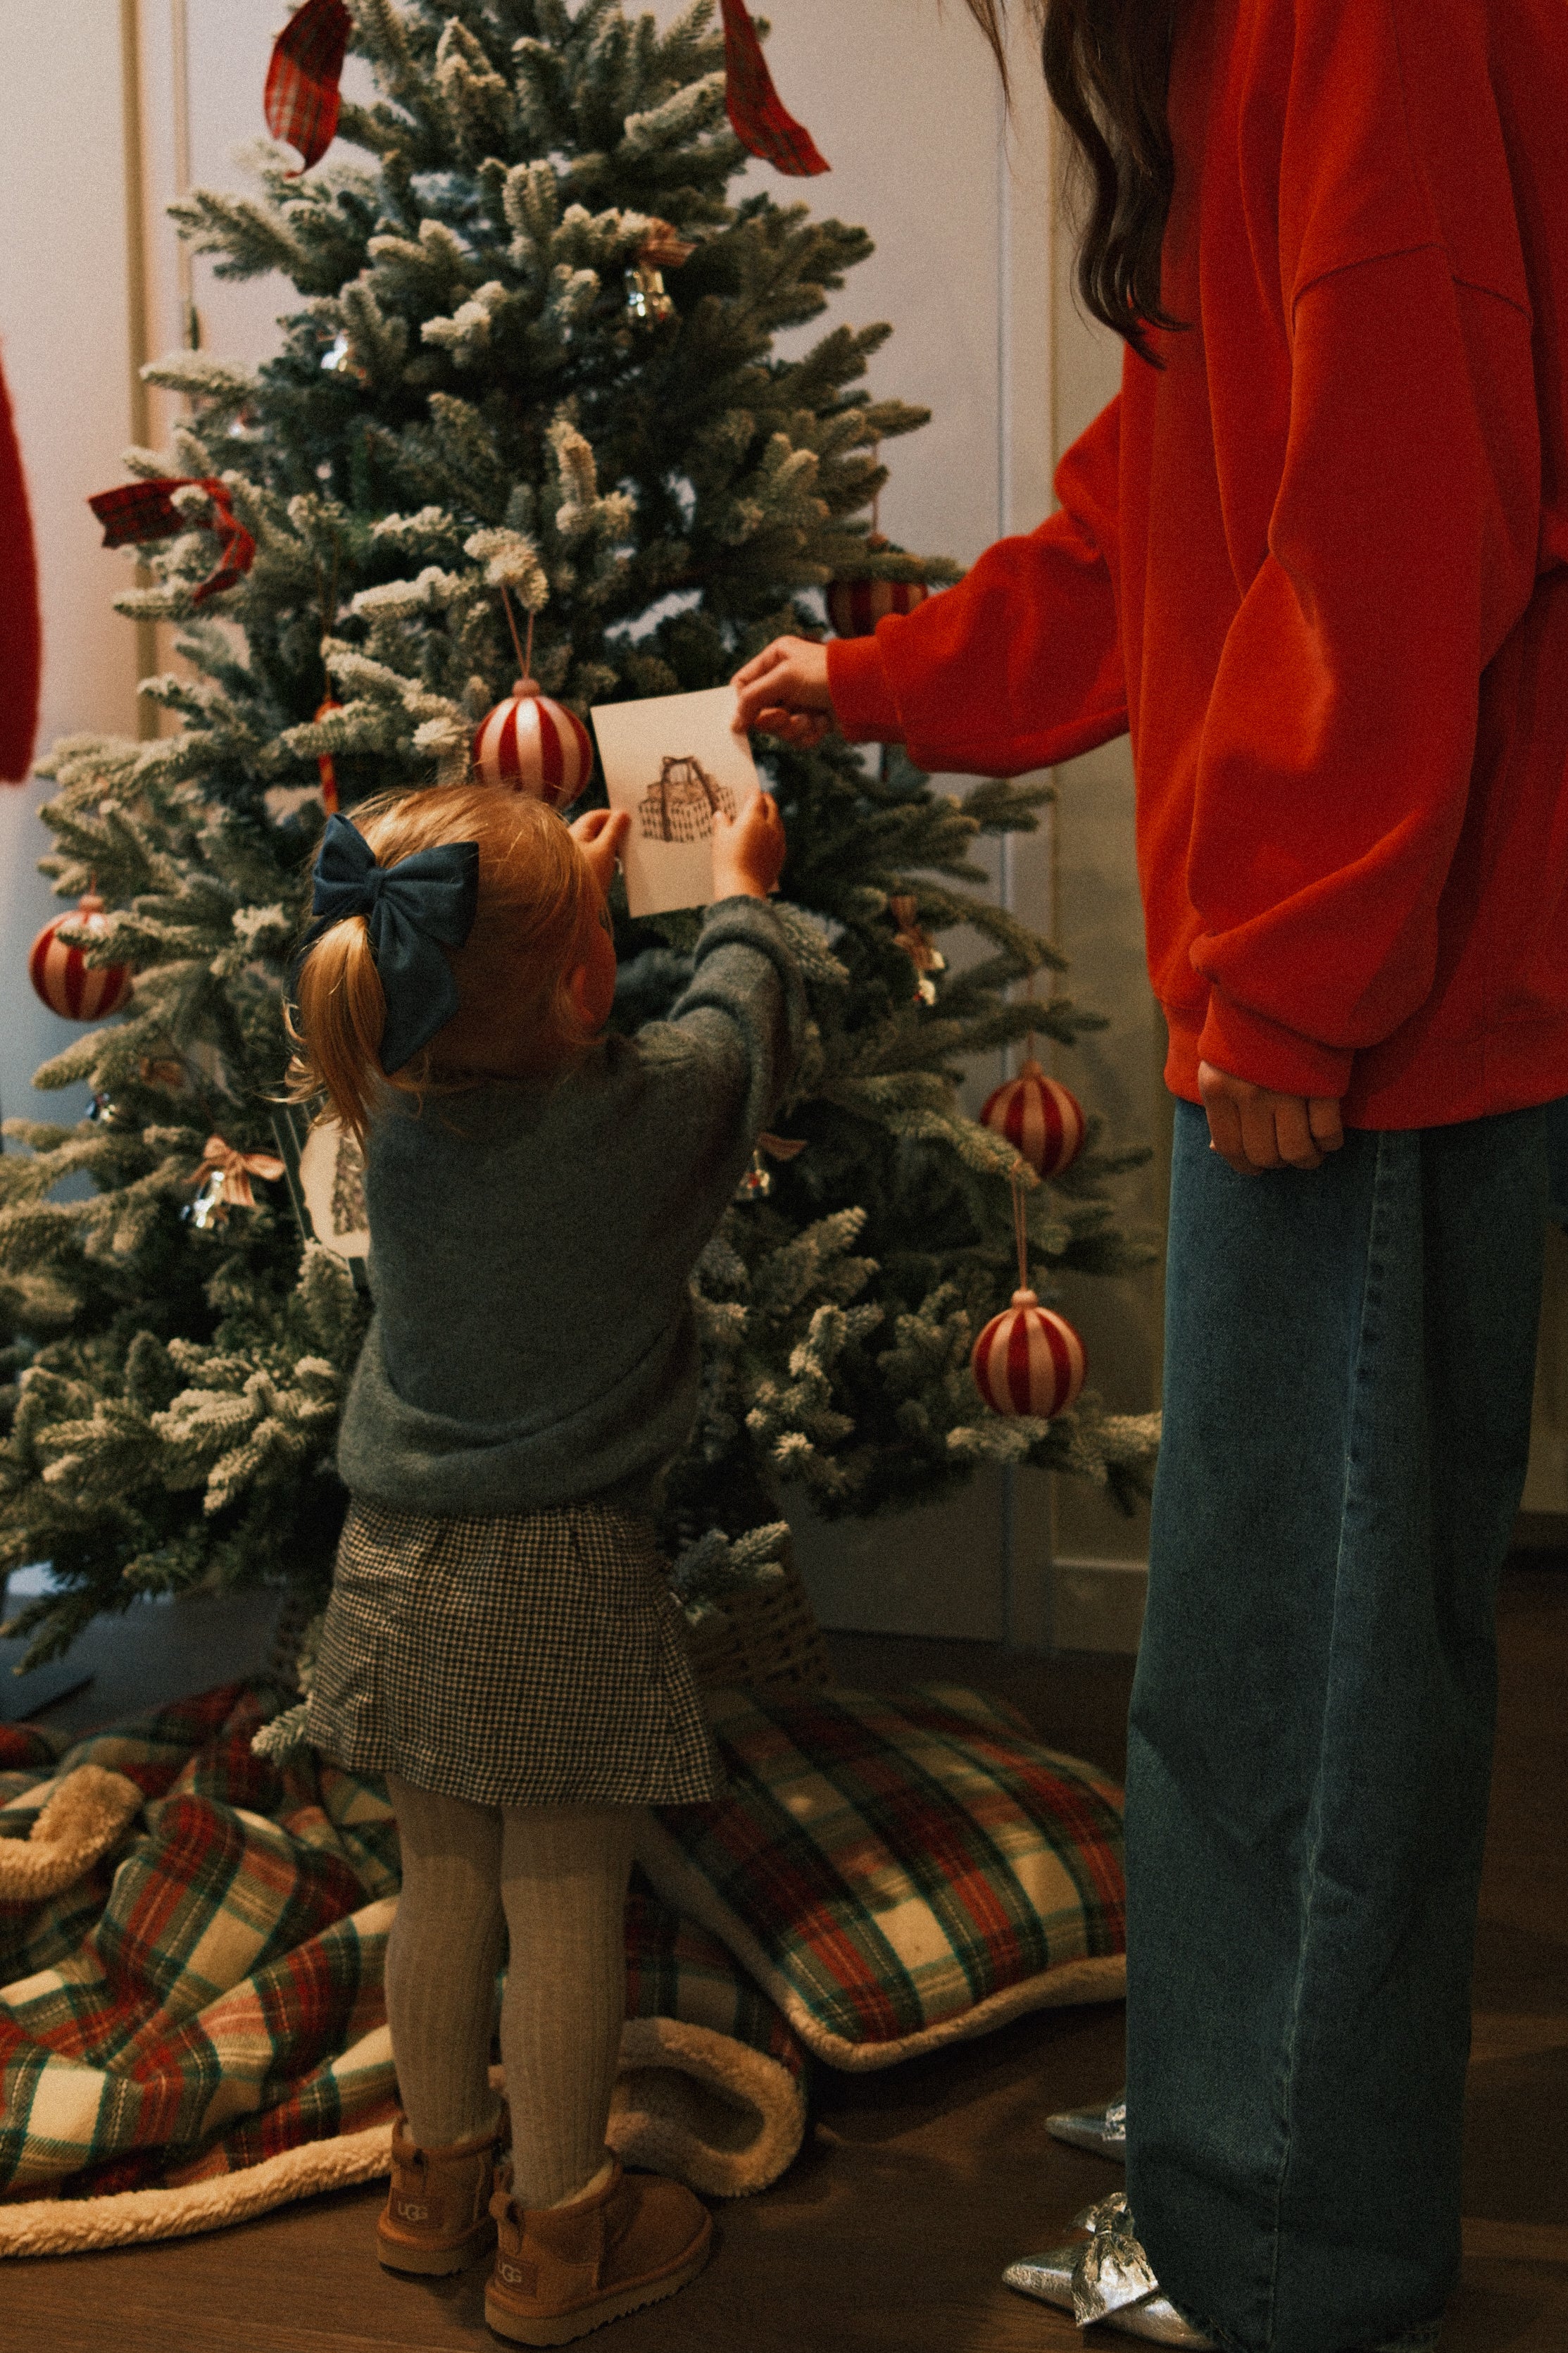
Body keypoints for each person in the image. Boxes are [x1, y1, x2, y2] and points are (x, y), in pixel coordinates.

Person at [733, 1, 1568, 2346]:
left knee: (1290, 1673)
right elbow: (1170, 489)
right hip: (1359, 954)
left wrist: (1292, 972)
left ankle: (1275, 2244)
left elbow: (1401, 504)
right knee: (1263, 1644)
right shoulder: (1242, 41)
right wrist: (882, 672)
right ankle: (1242, 2125)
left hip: (1383, 987)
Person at [285, 778, 801, 2345]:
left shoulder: (393, 1096)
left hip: (391, 1561)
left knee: (441, 1883)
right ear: (590, 976)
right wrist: (737, 888)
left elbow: (511, 1007)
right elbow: (735, 1032)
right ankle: (561, 2238)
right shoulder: (639, 1119)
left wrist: (547, 917)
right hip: (560, 1576)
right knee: (565, 1901)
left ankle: (431, 2189)